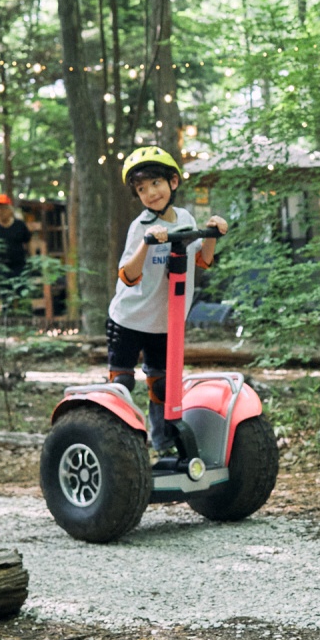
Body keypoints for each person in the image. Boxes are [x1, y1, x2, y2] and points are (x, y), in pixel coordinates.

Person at [108, 146, 225, 464]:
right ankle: (120, 442)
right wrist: (148, 242)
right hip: (129, 318)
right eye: (141, 189)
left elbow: (203, 258)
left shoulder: (186, 218)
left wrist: (213, 232)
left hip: (165, 322)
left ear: (173, 182)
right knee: (122, 381)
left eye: (155, 184)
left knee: (162, 384)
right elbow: (128, 275)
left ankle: (162, 444)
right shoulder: (140, 226)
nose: (149, 193)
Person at [0, 194, 33, 312]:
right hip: (1, 268)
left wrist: (31, 263)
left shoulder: (19, 226)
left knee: (23, 292)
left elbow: (29, 243)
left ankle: (25, 315)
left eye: (2, 209)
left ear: (10, 210)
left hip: (20, 266)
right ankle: (7, 317)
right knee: (5, 292)